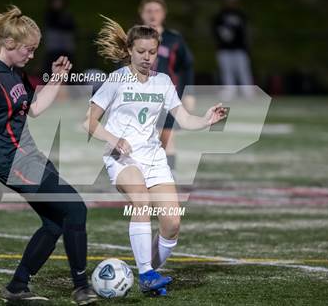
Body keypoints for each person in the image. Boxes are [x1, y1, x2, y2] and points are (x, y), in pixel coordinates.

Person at [0, 6, 97, 305]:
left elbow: (36, 109)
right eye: (28, 49)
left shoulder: (16, 73)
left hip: (31, 157)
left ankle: (17, 287)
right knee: (76, 209)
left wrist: (56, 79)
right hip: (13, 163)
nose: (31, 55)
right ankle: (82, 287)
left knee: (55, 224)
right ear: (10, 44)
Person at [84, 16, 226, 296]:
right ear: (129, 50)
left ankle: (148, 274)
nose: (147, 58)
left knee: (172, 223)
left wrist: (206, 120)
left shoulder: (163, 82)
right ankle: (147, 273)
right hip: (121, 158)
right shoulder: (116, 79)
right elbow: (88, 122)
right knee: (141, 199)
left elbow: (184, 119)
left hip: (154, 158)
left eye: (152, 52)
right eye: (141, 52)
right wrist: (114, 139)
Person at [139, 0, 195, 171]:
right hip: (140, 96)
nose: (152, 15)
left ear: (163, 14)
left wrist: (189, 93)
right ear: (141, 13)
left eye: (157, 11)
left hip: (167, 97)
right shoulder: (133, 38)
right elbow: (121, 66)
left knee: (168, 138)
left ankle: (169, 179)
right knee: (143, 139)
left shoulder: (173, 39)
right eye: (148, 11)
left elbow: (186, 66)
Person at [212, 0, 253, 96]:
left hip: (240, 48)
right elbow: (215, 31)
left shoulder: (241, 15)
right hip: (224, 49)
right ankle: (230, 91)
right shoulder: (220, 16)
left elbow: (245, 32)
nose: (231, 3)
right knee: (226, 71)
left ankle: (247, 91)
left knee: (243, 70)